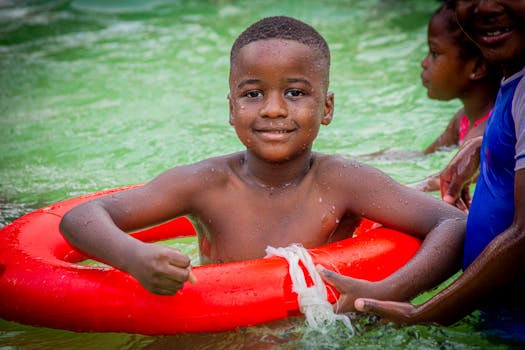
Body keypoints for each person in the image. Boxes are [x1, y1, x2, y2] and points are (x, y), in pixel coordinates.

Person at [60, 16, 466, 300]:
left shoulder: (343, 181)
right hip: (219, 320)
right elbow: (80, 218)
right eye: (253, 94)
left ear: (326, 108)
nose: (273, 109)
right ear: (232, 107)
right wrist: (133, 257)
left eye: (295, 93)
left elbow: (451, 225)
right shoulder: (204, 184)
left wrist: (391, 292)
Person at [319, 0, 525, 342]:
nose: (486, 5)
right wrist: (484, 148)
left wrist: (425, 313)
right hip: (498, 321)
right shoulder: (513, 84)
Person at [413, 2, 501, 198]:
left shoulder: (488, 128)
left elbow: (445, 179)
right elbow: (423, 156)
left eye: (434, 53)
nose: (424, 63)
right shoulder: (461, 119)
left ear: (477, 67)